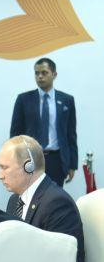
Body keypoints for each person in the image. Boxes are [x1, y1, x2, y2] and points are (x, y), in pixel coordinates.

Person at [0, 135, 87, 262]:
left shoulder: (57, 203)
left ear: (29, 166)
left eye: (5, 168)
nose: (0, 175)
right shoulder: (14, 200)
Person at [10, 58, 77, 187]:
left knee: (55, 200)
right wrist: (16, 161)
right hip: (31, 158)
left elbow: (71, 134)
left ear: (54, 74)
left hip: (57, 159)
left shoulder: (67, 100)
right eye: (37, 73)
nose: (40, 76)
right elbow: (15, 135)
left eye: (44, 73)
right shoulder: (24, 99)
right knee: (31, 199)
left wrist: (72, 165)